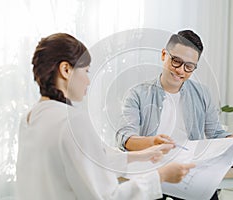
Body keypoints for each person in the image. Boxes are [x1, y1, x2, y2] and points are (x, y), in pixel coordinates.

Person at [16, 33, 196, 200]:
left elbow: (87, 160)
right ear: (65, 70)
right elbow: (109, 197)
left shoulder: (30, 118)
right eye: (85, 71)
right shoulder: (72, 122)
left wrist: (142, 155)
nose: (88, 80)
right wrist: (161, 176)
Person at [116, 30, 233, 200]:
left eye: (189, 66)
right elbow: (125, 138)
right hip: (157, 173)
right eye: (176, 61)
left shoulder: (202, 93)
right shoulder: (137, 94)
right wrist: (153, 142)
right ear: (164, 55)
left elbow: (215, 135)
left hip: (191, 173)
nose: (181, 71)